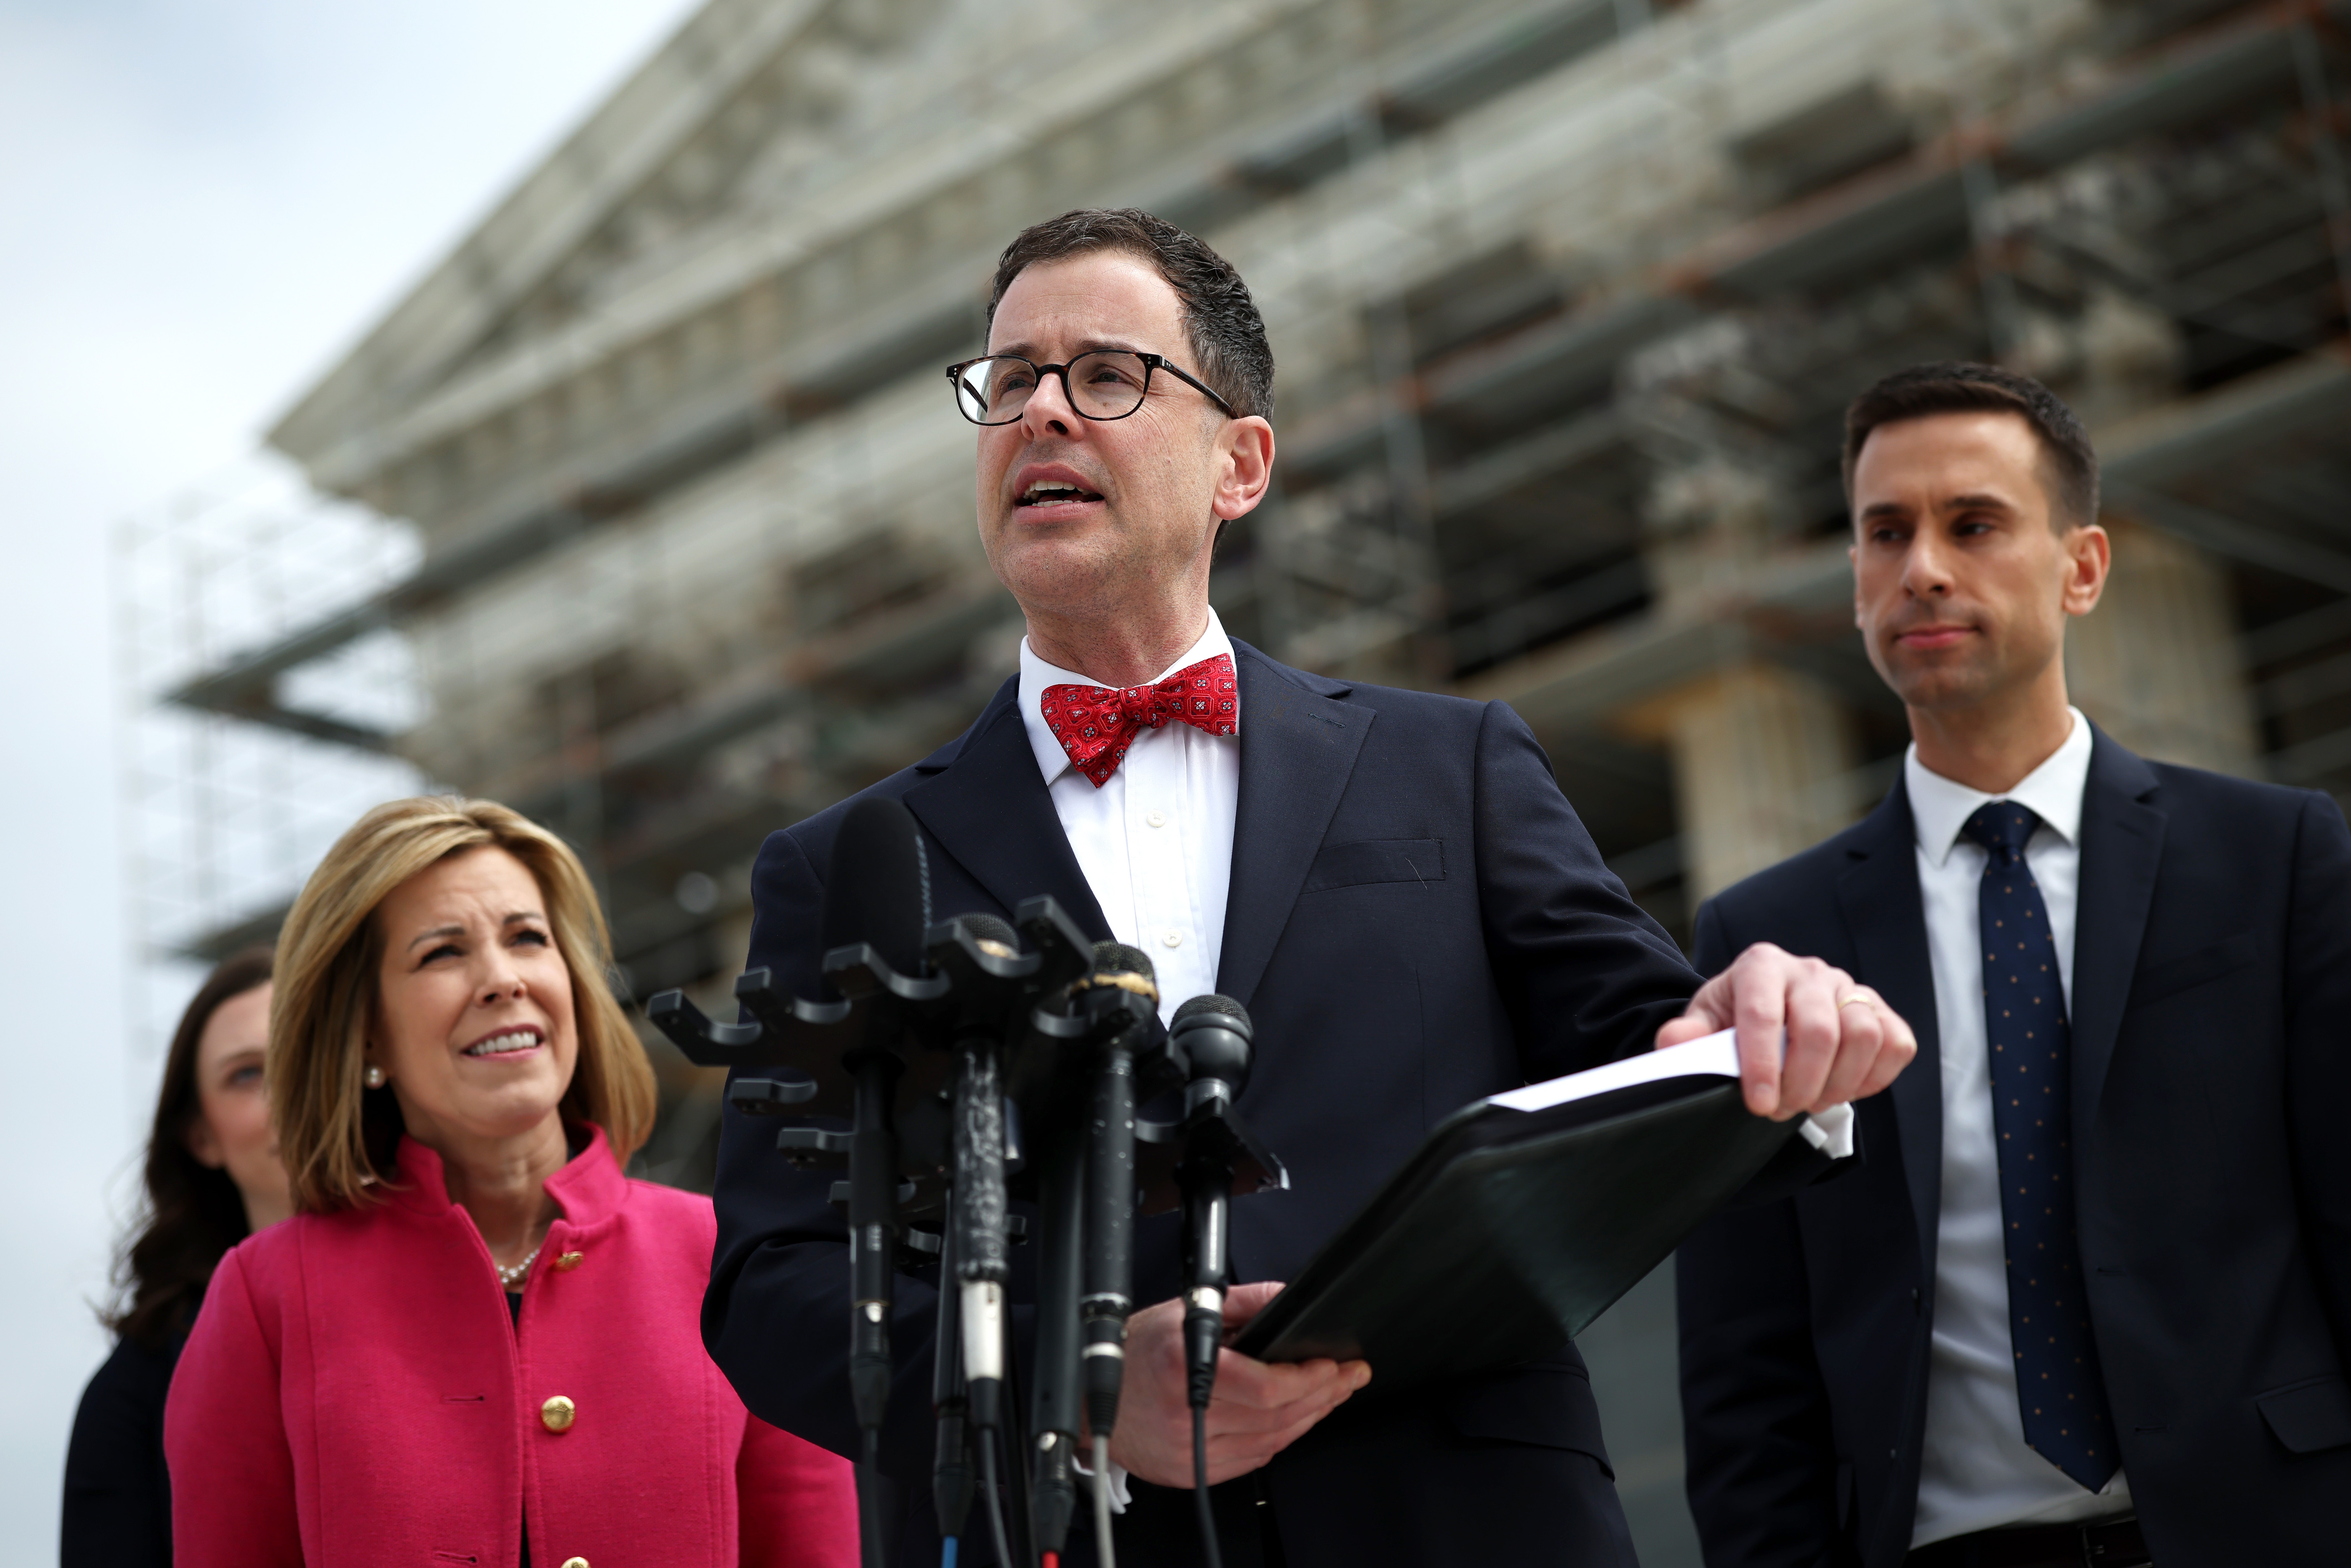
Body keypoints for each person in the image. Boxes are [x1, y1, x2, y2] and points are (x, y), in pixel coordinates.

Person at [703, 207, 1916, 1568]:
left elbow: (1646, 1056)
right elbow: (772, 1285)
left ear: (1240, 464)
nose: (1040, 413)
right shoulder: (845, 866)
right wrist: (1077, 1397)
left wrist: (1760, 1021)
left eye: (1105, 376)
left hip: (1467, 1528)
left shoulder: (1445, 765)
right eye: (1007, 382)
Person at [1674, 363, 2351, 1568]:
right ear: (1854, 583)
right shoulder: (1763, 942)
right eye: (1886, 533)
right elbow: (1747, 1368)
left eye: (1972, 524)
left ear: (2082, 566)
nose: (1922, 567)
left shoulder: (2274, 855)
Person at [165, 796, 859, 1567]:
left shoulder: (737, 1260)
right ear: (365, 1031)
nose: (502, 980)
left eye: (528, 938)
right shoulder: (267, 1298)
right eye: (442, 953)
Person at [61, 945, 288, 1567]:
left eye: (309, 1052)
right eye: (248, 1074)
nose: (293, 1091)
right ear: (201, 1136)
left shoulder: (496, 1280)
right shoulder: (135, 1394)